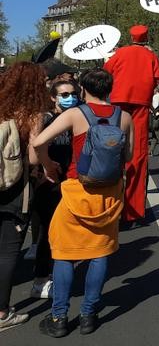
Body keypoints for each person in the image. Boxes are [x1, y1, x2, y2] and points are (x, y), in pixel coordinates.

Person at [33, 69, 133, 337]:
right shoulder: (124, 117)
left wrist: (48, 167)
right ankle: (88, 314)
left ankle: (59, 317)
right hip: (109, 192)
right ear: (110, 88)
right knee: (100, 252)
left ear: (83, 90)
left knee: (64, 254)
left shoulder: (75, 114)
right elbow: (129, 155)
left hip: (78, 189)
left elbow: (38, 141)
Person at [0, 62, 49, 333]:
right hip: (16, 187)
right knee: (8, 251)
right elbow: (33, 156)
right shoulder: (32, 113)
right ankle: (2, 312)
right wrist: (46, 168)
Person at [103, 25, 159, 223]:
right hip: (141, 105)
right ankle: (134, 210)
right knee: (138, 155)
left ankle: (109, 205)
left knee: (111, 152)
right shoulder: (151, 56)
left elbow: (106, 72)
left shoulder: (120, 53)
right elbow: (155, 79)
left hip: (118, 104)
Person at [30, 79, 80, 301]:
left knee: (60, 232)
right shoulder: (46, 119)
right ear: (53, 97)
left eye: (72, 93)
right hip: (48, 183)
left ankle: (54, 274)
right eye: (64, 94)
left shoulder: (72, 118)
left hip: (66, 183)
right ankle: (40, 280)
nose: (69, 97)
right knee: (47, 233)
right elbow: (36, 147)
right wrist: (46, 167)